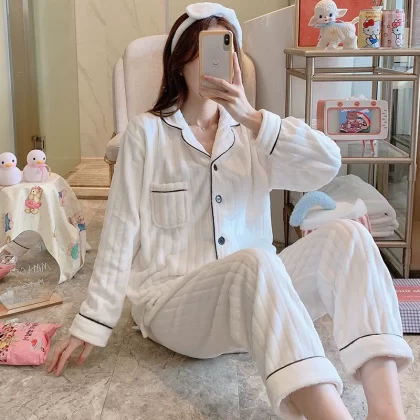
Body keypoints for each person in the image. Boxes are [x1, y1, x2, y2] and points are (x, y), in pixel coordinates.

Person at [48, 3, 413, 420]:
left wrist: (250, 116)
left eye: (226, 50)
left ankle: (387, 412)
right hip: (174, 305)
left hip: (258, 306)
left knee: (351, 235)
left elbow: (327, 164)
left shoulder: (254, 132)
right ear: (180, 61)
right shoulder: (144, 134)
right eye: (204, 50)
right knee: (254, 261)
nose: (216, 63)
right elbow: (120, 230)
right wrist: (92, 321)